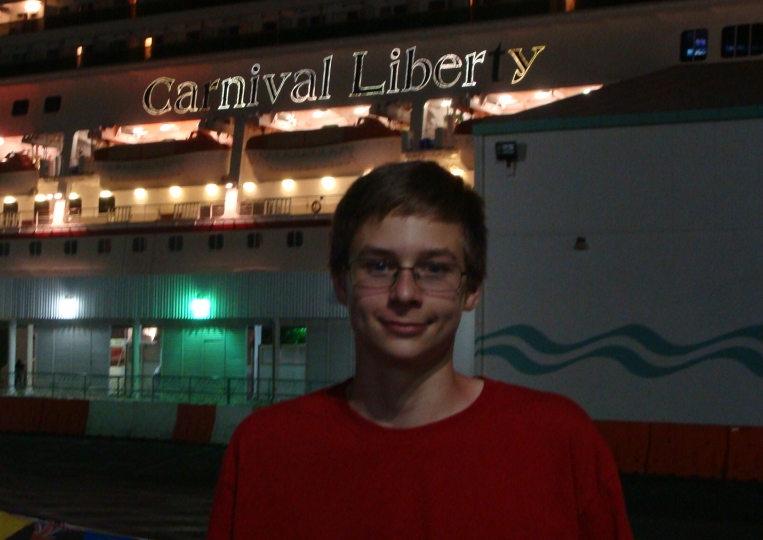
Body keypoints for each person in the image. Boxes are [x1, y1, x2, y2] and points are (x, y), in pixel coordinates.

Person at [206, 161, 633, 539]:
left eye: (434, 269)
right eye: (379, 265)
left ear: (472, 288)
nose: (405, 293)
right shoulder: (265, 451)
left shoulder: (560, 444)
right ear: (340, 282)